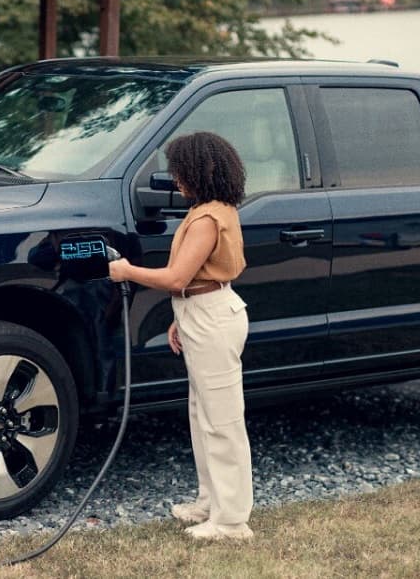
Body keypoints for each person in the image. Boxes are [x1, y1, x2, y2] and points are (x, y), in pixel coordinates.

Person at [108, 131, 253, 541]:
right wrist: (180, 315)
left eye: (179, 171)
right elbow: (191, 280)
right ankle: (211, 502)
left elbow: (176, 276)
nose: (175, 180)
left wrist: (126, 271)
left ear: (198, 170)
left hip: (212, 318)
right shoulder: (214, 209)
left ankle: (231, 522)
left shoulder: (209, 218)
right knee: (202, 416)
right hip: (202, 312)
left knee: (222, 421)